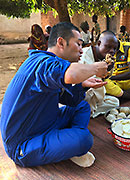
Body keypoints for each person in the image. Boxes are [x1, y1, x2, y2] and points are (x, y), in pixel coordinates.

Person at [0, 22, 109, 167]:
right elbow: (72, 73)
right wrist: (95, 68)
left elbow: (69, 100)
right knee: (84, 139)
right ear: (61, 42)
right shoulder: (43, 63)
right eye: (78, 44)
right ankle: (71, 144)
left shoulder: (51, 67)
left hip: (44, 123)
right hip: (23, 144)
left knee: (82, 105)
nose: (82, 50)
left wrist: (82, 85)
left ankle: (67, 144)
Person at [80, 31, 120, 118]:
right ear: (99, 43)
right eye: (108, 47)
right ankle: (85, 112)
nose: (112, 51)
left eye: (115, 48)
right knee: (92, 93)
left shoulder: (103, 57)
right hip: (82, 94)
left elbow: (106, 77)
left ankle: (88, 110)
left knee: (115, 102)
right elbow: (92, 84)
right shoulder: (85, 55)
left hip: (94, 96)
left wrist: (108, 69)